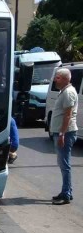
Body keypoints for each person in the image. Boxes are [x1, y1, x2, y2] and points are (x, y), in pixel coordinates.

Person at [50, 68, 78, 205]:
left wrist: (61, 133)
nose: (55, 79)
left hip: (66, 133)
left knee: (64, 164)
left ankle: (66, 194)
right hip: (62, 133)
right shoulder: (63, 91)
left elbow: (68, 115)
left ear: (66, 79)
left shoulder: (68, 93)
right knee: (63, 164)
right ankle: (66, 191)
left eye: (58, 77)